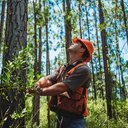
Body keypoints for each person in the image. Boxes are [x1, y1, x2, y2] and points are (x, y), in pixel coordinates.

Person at [28, 37, 94, 128]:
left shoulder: (83, 70)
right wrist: (38, 84)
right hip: (59, 118)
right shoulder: (63, 68)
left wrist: (41, 91)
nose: (72, 43)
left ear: (82, 50)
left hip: (74, 121)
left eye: (77, 43)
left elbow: (62, 87)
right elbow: (48, 79)